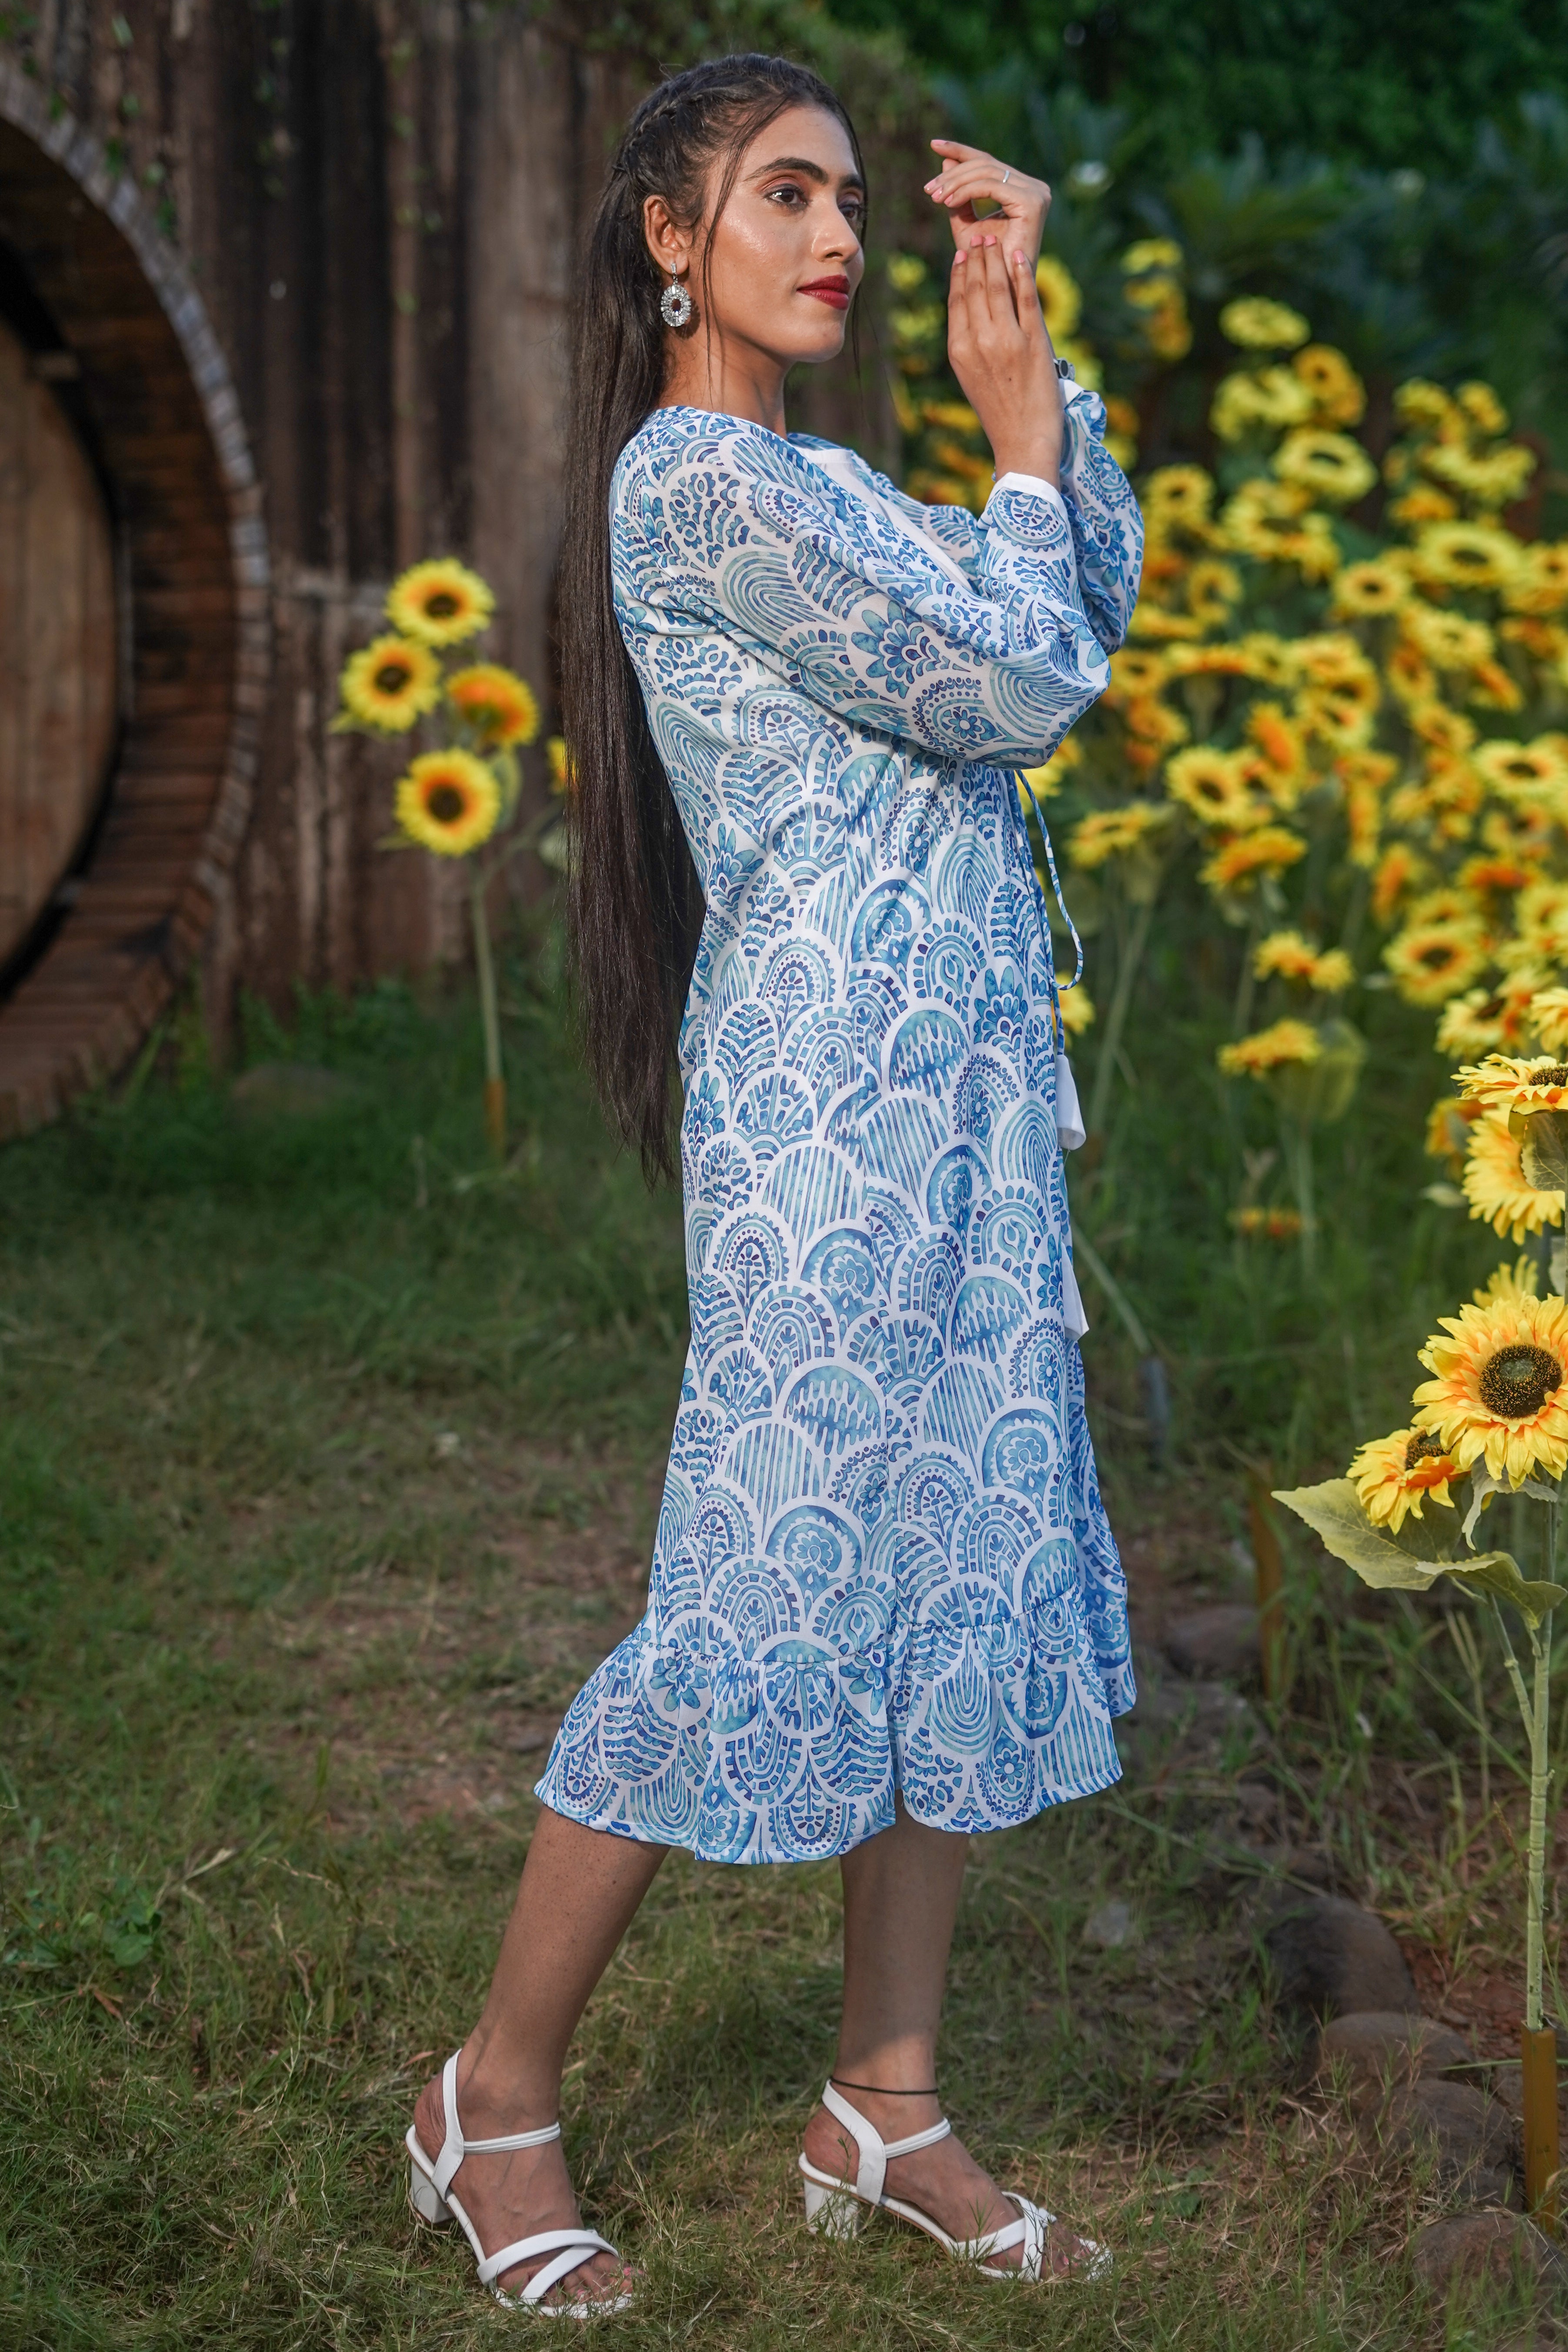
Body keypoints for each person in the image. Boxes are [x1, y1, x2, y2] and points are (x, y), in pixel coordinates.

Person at [406, 50, 1141, 2315]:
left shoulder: (844, 492)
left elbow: (1070, 605)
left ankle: (884, 2102)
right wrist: (1018, 457)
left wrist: (1030, 351)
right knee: (752, 1595)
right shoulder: (701, 494)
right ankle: (491, 2096)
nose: (834, 233)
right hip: (822, 1137)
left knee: (941, 1575)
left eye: (852, 197)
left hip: (970, 1125)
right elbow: (1020, 674)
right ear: (669, 241)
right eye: (781, 192)